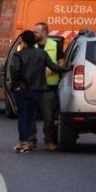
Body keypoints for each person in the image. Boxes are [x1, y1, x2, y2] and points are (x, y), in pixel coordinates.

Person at [9, 30, 69, 153]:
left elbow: (15, 71)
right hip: (38, 90)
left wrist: (16, 86)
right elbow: (54, 67)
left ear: (24, 42)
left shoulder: (19, 55)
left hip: (23, 90)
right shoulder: (42, 54)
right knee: (32, 116)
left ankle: (24, 142)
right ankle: (30, 142)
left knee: (23, 117)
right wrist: (68, 69)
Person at [34, 22, 64, 151]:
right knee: (31, 116)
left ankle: (49, 141)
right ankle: (30, 140)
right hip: (34, 86)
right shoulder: (32, 46)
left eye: (37, 32)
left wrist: (52, 70)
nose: (34, 34)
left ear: (44, 32)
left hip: (49, 86)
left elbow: (61, 62)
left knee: (49, 117)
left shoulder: (54, 45)